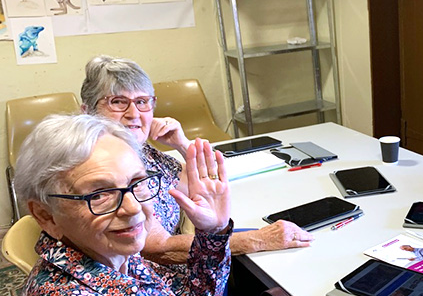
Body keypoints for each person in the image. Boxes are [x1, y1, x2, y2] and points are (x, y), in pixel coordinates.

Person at [14, 115, 266, 296]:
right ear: (45, 216)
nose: (134, 208)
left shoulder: (109, 256)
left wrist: (213, 231)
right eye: (99, 194)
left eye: (136, 182)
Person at [80, 55, 313, 264]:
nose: (134, 114)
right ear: (88, 111)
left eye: (142, 102)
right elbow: (155, 249)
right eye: (118, 102)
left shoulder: (142, 152)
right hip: (156, 288)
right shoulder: (99, 170)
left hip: (196, 264)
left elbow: (207, 184)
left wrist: (180, 143)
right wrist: (259, 240)